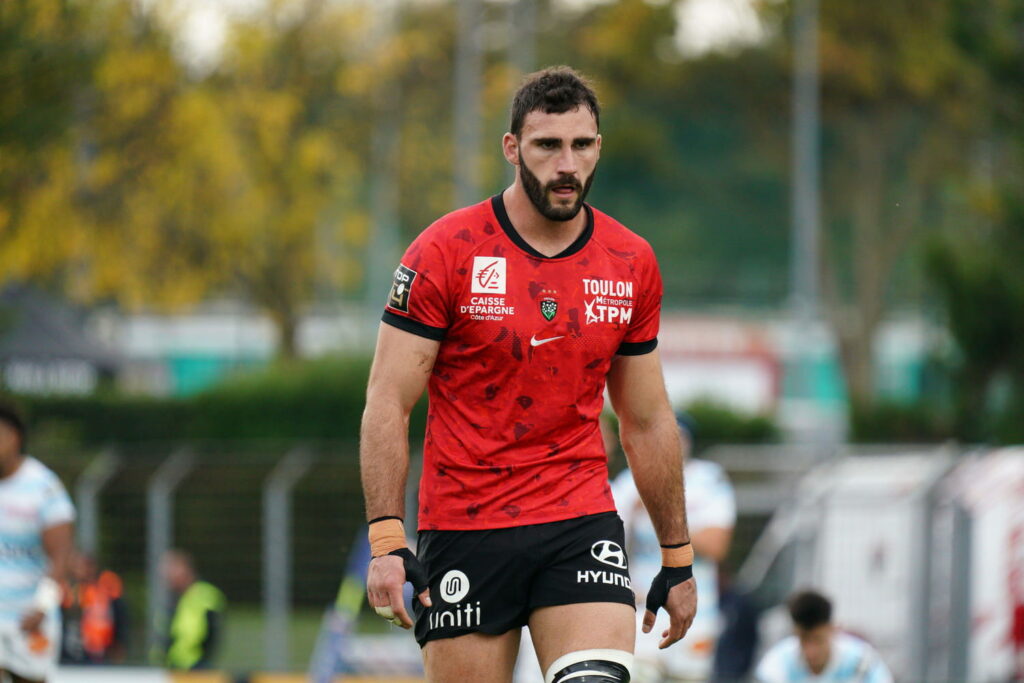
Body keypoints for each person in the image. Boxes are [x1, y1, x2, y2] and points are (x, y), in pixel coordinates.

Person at [359, 65, 697, 683]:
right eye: (548, 145)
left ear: (598, 147)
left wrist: (678, 558)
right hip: (465, 525)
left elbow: (646, 420)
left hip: (578, 519)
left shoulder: (630, 261)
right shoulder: (445, 252)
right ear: (513, 149)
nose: (567, 164)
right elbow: (387, 400)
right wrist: (386, 540)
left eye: (582, 145)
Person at [612, 414, 736, 682]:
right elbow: (610, 541)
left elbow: (716, 544)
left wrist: (660, 513)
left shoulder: (708, 479)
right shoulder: (628, 480)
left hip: (695, 610)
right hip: (641, 605)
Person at [0, 401, 75, 683]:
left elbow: (62, 557)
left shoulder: (43, 486)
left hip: (29, 617)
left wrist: (43, 606)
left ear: (15, 437)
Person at [755, 590, 892, 683]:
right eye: (804, 640)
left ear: (833, 629)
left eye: (818, 640)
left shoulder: (862, 662)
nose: (811, 650)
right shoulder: (777, 664)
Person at [159, 549, 226, 671]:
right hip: (174, 666)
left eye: (170, 570)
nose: (166, 576)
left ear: (183, 569)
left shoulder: (204, 594)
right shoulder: (173, 598)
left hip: (195, 667)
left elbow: (208, 634)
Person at [60, 551, 127, 665]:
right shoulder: (67, 589)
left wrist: (118, 645)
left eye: (85, 565)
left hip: (99, 654)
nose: (81, 570)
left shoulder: (106, 589)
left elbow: (119, 618)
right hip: (68, 654)